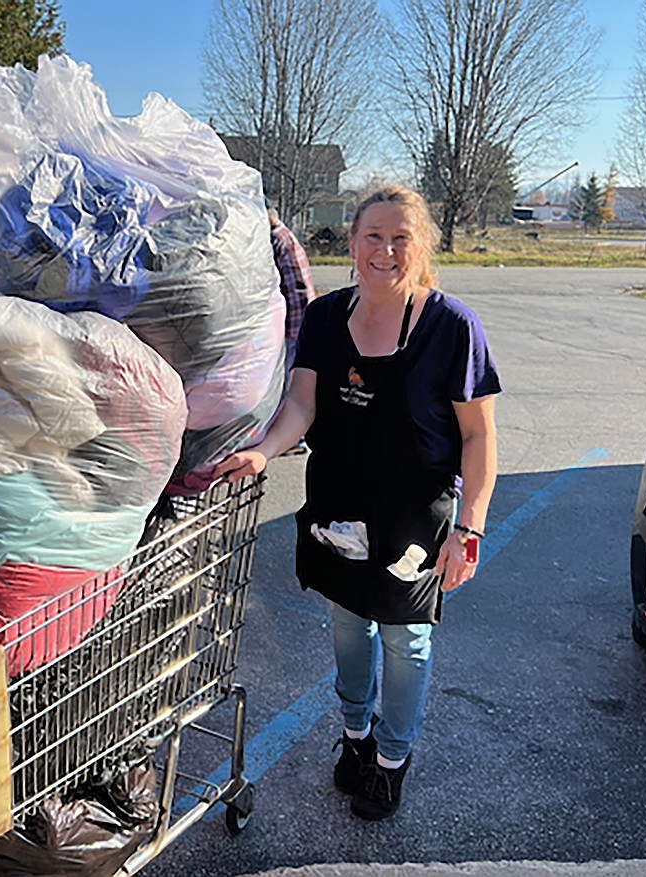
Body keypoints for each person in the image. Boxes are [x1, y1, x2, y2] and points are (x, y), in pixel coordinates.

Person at [214, 184, 500, 820]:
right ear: (352, 243)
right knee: (348, 622)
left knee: (405, 639)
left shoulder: (451, 327)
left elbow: (479, 435)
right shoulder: (323, 318)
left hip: (413, 517)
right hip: (338, 505)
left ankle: (391, 761)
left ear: (419, 246)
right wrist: (264, 451)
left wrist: (471, 527)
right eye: (374, 236)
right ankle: (354, 738)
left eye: (401, 237)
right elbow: (301, 405)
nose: (386, 250)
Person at [268, 205, 315, 454]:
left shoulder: (277, 239)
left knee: (291, 384)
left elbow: (290, 286)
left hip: (296, 321)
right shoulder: (284, 236)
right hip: (299, 319)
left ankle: (295, 438)